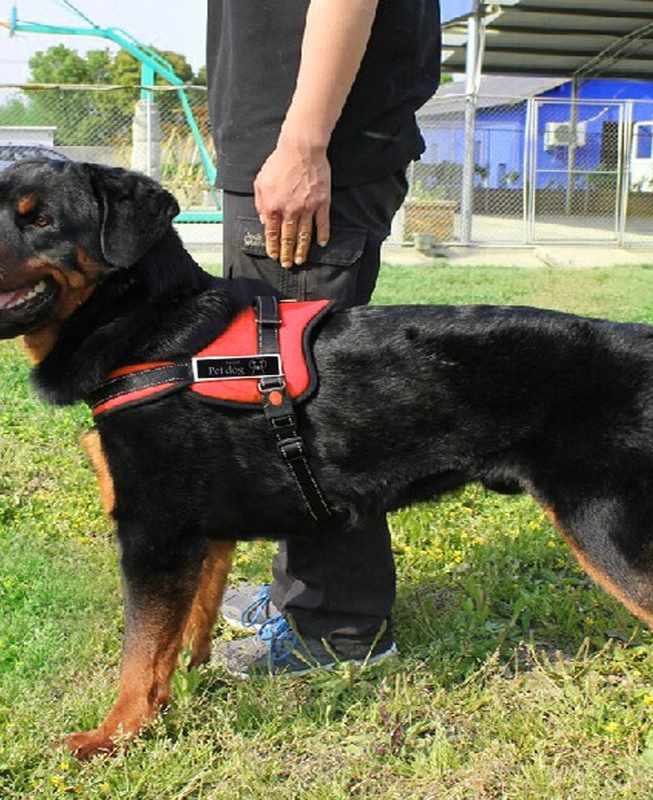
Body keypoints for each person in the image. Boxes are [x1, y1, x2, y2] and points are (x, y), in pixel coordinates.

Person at [206, 0, 442, 676]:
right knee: (277, 390)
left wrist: (304, 144)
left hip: (315, 150)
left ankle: (339, 625)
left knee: (305, 401)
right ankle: (301, 593)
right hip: (287, 145)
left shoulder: (307, 147)